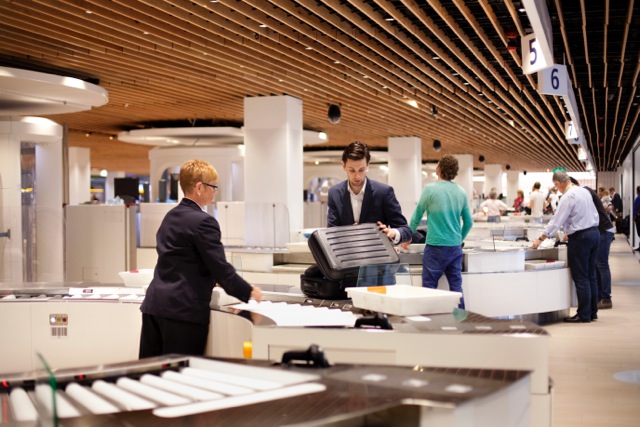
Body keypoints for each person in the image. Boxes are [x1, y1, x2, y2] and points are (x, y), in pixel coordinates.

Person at [139, 159, 262, 358]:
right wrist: (249, 292)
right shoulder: (204, 222)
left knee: (150, 375)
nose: (215, 192)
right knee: (180, 378)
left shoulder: (170, 216)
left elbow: (183, 259)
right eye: (213, 186)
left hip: (154, 307)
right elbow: (220, 267)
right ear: (198, 187)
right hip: (182, 313)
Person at [531, 171, 599, 323]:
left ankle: (584, 315)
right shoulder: (584, 191)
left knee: (581, 277)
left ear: (558, 183)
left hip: (581, 239)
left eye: (556, 186)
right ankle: (592, 312)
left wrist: (540, 239)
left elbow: (557, 221)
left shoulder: (568, 196)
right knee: (591, 275)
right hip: (594, 234)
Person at [408, 155, 473, 307]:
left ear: (439, 169)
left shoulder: (430, 190)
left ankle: (431, 324)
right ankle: (459, 321)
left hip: (435, 248)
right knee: (456, 288)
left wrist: (407, 238)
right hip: (455, 249)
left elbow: (416, 217)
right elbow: (469, 222)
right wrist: (458, 239)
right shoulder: (461, 192)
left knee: (429, 289)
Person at [327, 141, 412, 244]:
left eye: (361, 170)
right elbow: (331, 232)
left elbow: (406, 230)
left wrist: (393, 233)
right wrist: (349, 233)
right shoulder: (334, 193)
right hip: (347, 257)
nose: (357, 176)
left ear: (367, 165)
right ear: (343, 165)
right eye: (352, 170)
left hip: (377, 257)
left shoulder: (384, 192)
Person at [571, 177, 614, 309]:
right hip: (600, 231)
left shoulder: (585, 192)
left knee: (601, 265)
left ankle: (606, 298)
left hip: (604, 231)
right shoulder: (585, 192)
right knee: (596, 266)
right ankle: (601, 296)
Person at [634, 186, 640, 252]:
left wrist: (634, 217)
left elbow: (636, 209)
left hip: (638, 218)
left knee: (639, 232)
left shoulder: (638, 198)